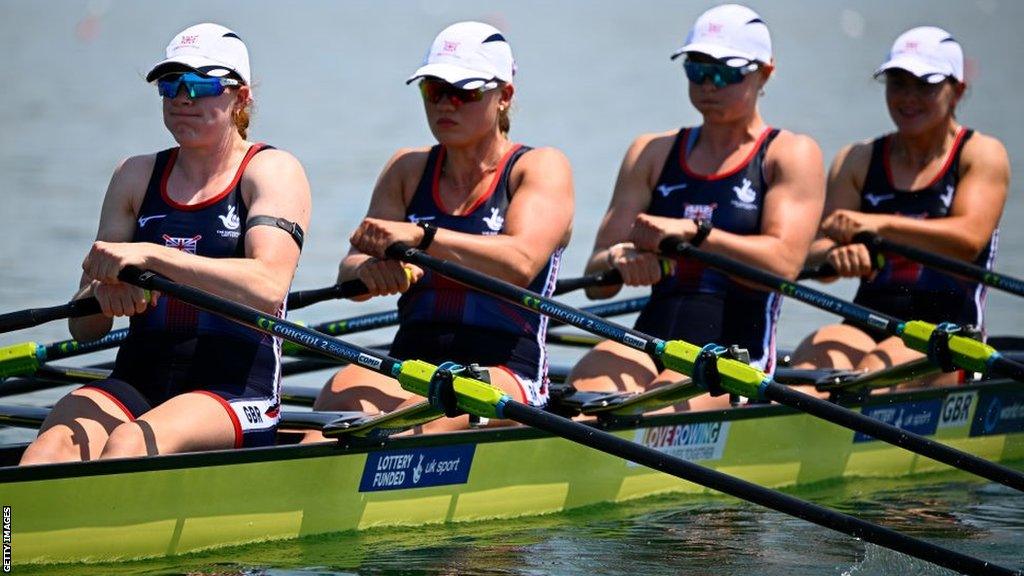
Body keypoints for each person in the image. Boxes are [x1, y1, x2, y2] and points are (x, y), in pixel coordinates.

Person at [20, 23, 312, 465]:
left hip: (234, 390)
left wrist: (152, 257)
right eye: (171, 84)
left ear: (242, 96)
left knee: (130, 444)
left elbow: (268, 286)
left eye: (201, 84)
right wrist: (104, 293)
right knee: (51, 445)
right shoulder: (135, 176)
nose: (182, 97)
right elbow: (84, 328)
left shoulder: (271, 171)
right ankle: (11, 535)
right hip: (138, 379)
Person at [310, 21, 573, 432]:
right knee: (334, 400)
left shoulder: (538, 167)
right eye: (434, 91)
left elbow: (521, 262)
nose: (446, 105)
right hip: (411, 361)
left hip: (507, 371)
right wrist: (369, 271)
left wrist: (423, 237)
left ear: (504, 96)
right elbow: (350, 266)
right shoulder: (407, 169)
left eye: (464, 92)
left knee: (429, 417)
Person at [566, 4, 824, 409]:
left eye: (725, 72)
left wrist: (696, 234)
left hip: (734, 356)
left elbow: (784, 264)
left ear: (765, 72)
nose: (709, 84)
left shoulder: (788, 154)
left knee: (657, 402)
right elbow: (599, 282)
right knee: (587, 392)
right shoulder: (651, 153)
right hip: (648, 342)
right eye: (697, 69)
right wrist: (621, 256)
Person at [790, 26, 1009, 380]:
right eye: (898, 83)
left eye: (925, 85)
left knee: (873, 374)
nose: (908, 97)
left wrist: (877, 225)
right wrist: (834, 257)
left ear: (957, 91)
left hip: (948, 330)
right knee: (812, 368)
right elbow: (811, 251)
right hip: (867, 319)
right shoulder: (857, 159)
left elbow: (968, 240)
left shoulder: (981, 154)